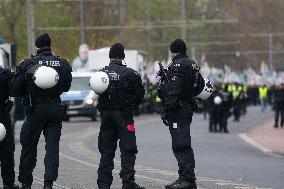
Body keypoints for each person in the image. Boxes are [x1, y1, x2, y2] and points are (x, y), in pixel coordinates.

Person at [9, 33, 72, 189]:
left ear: (36, 46)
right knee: (52, 148)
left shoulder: (28, 64)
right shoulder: (62, 63)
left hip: (35, 110)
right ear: (50, 45)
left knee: (28, 145)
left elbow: (14, 90)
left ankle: (26, 182)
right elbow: (66, 87)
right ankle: (48, 183)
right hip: (55, 110)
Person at [96, 43, 145, 189]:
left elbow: (97, 92)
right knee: (128, 149)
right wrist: (131, 106)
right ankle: (128, 182)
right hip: (124, 116)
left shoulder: (101, 73)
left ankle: (104, 185)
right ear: (122, 56)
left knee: (106, 151)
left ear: (110, 56)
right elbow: (140, 95)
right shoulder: (131, 74)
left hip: (106, 118)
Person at [158, 39, 204, 189]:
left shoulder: (178, 65)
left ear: (173, 51)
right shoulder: (192, 64)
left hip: (178, 109)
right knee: (180, 143)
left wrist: (166, 109)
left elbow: (174, 89)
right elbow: (197, 85)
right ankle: (183, 177)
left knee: (181, 144)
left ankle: (188, 180)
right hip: (185, 107)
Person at [0, 67, 19, 189]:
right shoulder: (5, 74)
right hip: (2, 115)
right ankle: (8, 182)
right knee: (6, 151)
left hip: (2, 114)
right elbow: (14, 91)